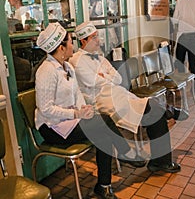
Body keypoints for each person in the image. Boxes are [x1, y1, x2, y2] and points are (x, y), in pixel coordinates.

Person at [35, 22, 147, 199]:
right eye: (71, 41)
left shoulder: (67, 67)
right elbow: (46, 109)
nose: (74, 44)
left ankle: (104, 185)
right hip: (52, 128)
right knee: (104, 122)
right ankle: (124, 154)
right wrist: (76, 114)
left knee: (102, 133)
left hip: (71, 121)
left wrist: (84, 109)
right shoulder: (46, 71)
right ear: (61, 47)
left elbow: (77, 93)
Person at [69, 22, 182, 175]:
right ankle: (161, 156)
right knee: (154, 108)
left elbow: (118, 78)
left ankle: (161, 159)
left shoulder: (100, 57)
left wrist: (104, 76)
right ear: (83, 41)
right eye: (94, 37)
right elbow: (92, 82)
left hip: (117, 94)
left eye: (97, 36)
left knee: (154, 109)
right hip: (101, 101)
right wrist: (106, 76)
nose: (98, 40)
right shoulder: (76, 60)